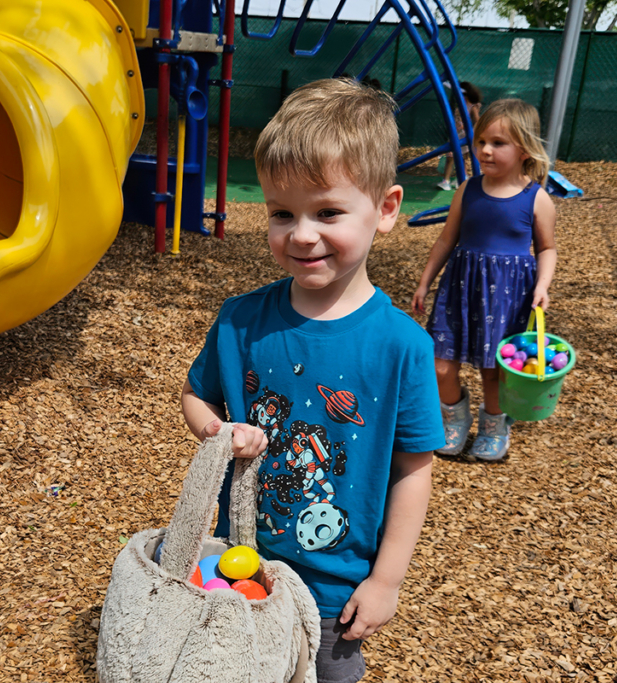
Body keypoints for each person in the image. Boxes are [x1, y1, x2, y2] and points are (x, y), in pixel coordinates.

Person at [182, 78, 445, 683]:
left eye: (327, 211)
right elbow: (196, 394)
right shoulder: (242, 319)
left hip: (335, 595)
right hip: (239, 567)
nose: (301, 234)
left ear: (384, 209)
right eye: (282, 213)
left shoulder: (402, 346)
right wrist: (219, 430)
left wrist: (387, 580)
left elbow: (413, 468)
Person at [412, 99, 558, 462]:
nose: (485, 151)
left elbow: (547, 248)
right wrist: (425, 281)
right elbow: (447, 239)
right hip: (460, 288)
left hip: (507, 296)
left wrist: (542, 286)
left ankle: (494, 426)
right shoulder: (468, 190)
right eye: (480, 142)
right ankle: (454, 419)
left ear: (524, 149)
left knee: (494, 370)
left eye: (497, 143)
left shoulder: (536, 199)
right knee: (440, 364)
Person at [437, 81, 483, 191]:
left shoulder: (472, 106)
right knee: (459, 158)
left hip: (462, 136)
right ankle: (462, 179)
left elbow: (478, 121)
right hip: (456, 134)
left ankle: (446, 181)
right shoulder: (462, 104)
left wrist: (467, 128)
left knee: (451, 157)